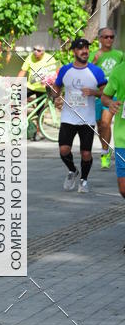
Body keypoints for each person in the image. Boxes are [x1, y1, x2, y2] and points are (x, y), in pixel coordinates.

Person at [51, 37, 106, 193]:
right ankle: (73, 170)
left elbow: (106, 92)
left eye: (87, 48)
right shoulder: (65, 70)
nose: (85, 51)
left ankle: (84, 180)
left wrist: (94, 92)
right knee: (63, 150)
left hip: (86, 118)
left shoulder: (96, 71)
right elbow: (56, 88)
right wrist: (54, 94)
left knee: (86, 153)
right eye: (81, 48)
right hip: (68, 117)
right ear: (74, 51)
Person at [92, 27, 124, 168]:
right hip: (100, 94)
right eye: (106, 37)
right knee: (101, 126)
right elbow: (87, 71)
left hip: (115, 94)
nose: (109, 39)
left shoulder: (119, 54)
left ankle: (107, 155)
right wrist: (94, 60)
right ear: (100, 39)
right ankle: (105, 150)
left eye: (111, 37)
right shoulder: (94, 54)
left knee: (106, 122)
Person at [101, 61, 125, 229]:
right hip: (122, 137)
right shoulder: (119, 70)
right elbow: (105, 96)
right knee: (123, 188)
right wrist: (110, 103)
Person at [18, 44, 58, 140]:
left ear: (43, 52)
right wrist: (16, 84)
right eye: (34, 49)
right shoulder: (30, 57)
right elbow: (23, 71)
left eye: (39, 50)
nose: (36, 52)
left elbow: (56, 72)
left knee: (40, 111)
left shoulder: (50, 59)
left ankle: (38, 132)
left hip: (43, 89)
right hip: (31, 86)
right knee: (17, 101)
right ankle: (21, 124)